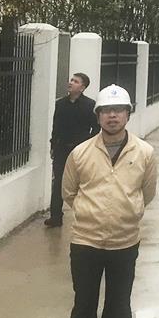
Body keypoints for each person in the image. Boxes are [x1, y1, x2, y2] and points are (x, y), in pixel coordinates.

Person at [59, 84, 158, 318]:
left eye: (118, 110)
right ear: (98, 115)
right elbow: (69, 192)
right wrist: (92, 214)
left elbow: (147, 191)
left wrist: (128, 211)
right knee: (84, 304)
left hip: (125, 240)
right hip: (86, 241)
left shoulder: (144, 153)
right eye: (106, 111)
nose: (112, 116)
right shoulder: (80, 153)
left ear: (128, 114)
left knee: (118, 299)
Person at [46, 73, 99, 228]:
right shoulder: (60, 104)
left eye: (75, 81)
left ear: (82, 87)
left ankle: (85, 216)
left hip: (80, 150)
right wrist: (53, 145)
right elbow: (56, 127)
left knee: (83, 183)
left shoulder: (90, 105)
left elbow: (96, 128)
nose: (71, 83)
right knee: (58, 182)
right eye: (71, 80)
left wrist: (88, 144)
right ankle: (56, 216)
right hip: (62, 149)